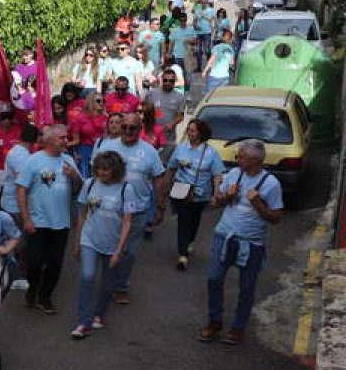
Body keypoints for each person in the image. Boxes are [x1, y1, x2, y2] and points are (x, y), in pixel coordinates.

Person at [201, 140, 283, 345]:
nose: (237, 159)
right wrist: (226, 196)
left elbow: (275, 218)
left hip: (251, 243)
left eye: (241, 156)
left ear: (255, 160)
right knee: (214, 279)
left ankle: (238, 327)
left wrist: (257, 204)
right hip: (224, 236)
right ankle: (215, 321)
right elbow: (217, 202)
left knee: (246, 288)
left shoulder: (271, 184)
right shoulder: (234, 174)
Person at [92, 112, 166, 305]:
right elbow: (96, 175)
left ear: (140, 129)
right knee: (107, 248)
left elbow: (158, 178)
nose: (127, 131)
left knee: (128, 252)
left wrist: (160, 206)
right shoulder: (108, 147)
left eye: (132, 128)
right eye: (124, 127)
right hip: (109, 210)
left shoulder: (149, 151)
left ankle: (121, 286)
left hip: (137, 212)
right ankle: (107, 284)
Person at [69, 151, 144, 339]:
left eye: (107, 169)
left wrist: (119, 250)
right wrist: (77, 242)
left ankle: (99, 313)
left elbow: (128, 222)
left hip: (113, 243)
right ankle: (83, 322)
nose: (102, 173)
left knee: (107, 283)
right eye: (99, 169)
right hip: (89, 239)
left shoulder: (126, 189)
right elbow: (82, 214)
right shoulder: (90, 184)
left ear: (116, 170)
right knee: (87, 276)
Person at [15, 125, 81, 314]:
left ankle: (45, 297)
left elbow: (79, 188)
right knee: (34, 261)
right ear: (49, 140)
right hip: (38, 221)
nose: (66, 141)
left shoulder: (68, 160)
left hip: (61, 223)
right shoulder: (33, 161)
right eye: (62, 138)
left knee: (55, 264)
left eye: (66, 137)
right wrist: (26, 218)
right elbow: (21, 188)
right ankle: (33, 287)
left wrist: (74, 175)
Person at [164, 119, 225, 271]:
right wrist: (165, 186)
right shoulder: (181, 148)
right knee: (183, 221)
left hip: (200, 194)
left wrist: (216, 192)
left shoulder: (211, 153)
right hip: (181, 191)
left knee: (194, 220)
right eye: (188, 130)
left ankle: (190, 241)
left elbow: (217, 174)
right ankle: (182, 255)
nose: (189, 133)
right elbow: (171, 168)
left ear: (201, 133)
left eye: (192, 130)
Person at [0, 124, 38, 223]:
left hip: (12, 203)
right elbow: (21, 185)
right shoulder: (22, 155)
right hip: (15, 206)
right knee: (18, 237)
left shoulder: (18, 151)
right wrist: (25, 216)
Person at [145, 68, 186, 144]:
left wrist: (172, 124)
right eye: (165, 80)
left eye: (171, 81)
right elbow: (144, 111)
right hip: (152, 135)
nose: (168, 83)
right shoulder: (151, 94)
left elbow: (181, 116)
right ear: (162, 79)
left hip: (168, 137)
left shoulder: (180, 97)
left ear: (174, 81)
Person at [71, 94, 107, 178]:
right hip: (85, 149)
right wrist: (75, 153)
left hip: (102, 149)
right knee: (85, 175)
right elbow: (76, 139)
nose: (101, 103)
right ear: (91, 102)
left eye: (103, 101)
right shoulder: (80, 118)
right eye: (98, 101)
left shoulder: (106, 118)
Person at [201, 29, 236, 98]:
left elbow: (211, 60)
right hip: (225, 77)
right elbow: (232, 63)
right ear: (230, 39)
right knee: (221, 97)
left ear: (222, 38)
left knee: (209, 96)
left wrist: (205, 71)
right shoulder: (231, 50)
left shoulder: (216, 47)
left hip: (214, 76)